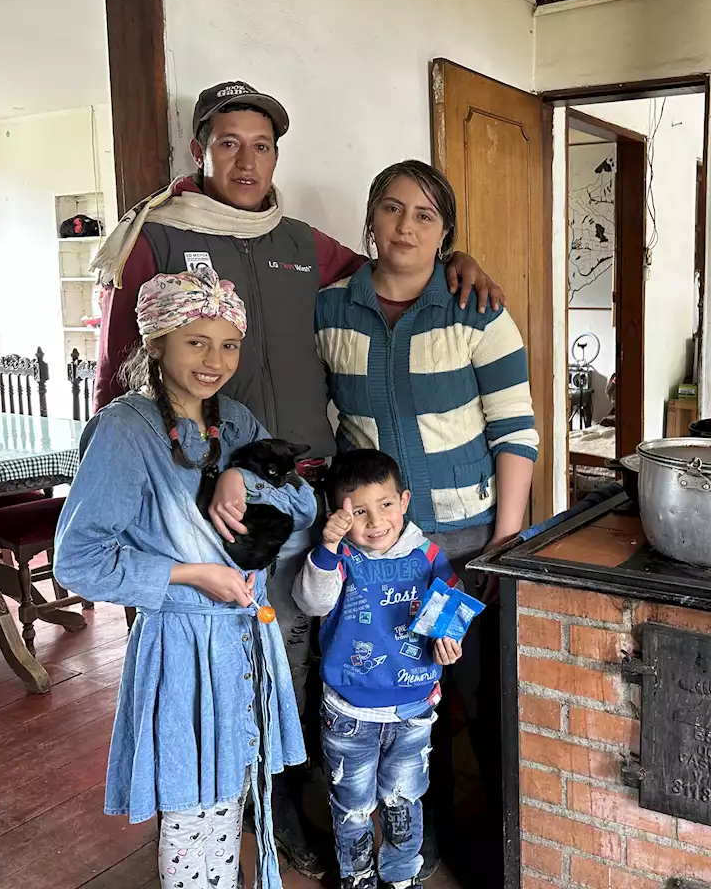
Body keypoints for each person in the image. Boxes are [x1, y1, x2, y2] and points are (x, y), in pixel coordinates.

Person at [90, 81, 504, 876]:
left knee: (305, 652)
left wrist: (457, 257)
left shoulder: (302, 242)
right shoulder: (160, 236)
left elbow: (394, 258)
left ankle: (306, 800)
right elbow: (121, 369)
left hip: (307, 493)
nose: (246, 161)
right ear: (200, 150)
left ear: (279, 153)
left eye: (262, 145)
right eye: (228, 144)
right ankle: (249, 814)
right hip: (212, 496)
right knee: (237, 656)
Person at [53, 269, 316, 889]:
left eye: (228, 344)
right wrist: (192, 575)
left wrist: (242, 478)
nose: (214, 360)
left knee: (230, 793)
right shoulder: (125, 430)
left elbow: (305, 506)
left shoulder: (239, 424)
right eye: (195, 341)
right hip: (182, 645)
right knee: (192, 805)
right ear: (156, 343)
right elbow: (78, 560)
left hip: (244, 639)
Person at [315, 160, 537, 877]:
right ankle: (421, 843)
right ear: (371, 220)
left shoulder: (476, 311)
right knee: (406, 699)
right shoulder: (328, 310)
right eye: (391, 208)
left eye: (425, 215)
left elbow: (515, 431)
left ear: (446, 234)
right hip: (376, 551)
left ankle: (511, 851)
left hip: (468, 545)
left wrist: (505, 540)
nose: (405, 226)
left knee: (480, 694)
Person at [293, 449, 464, 889]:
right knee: (352, 804)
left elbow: (452, 608)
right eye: (360, 512)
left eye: (386, 505)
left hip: (413, 710)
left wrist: (449, 643)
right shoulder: (340, 558)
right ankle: (357, 875)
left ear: (404, 501)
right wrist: (328, 548)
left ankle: (402, 876)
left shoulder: (428, 556)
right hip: (350, 714)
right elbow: (311, 602)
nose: (375, 522)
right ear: (339, 516)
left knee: (405, 800)